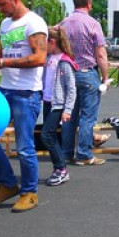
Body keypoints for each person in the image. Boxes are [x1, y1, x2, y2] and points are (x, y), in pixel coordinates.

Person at [0, 0, 47, 213]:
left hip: (26, 93)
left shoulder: (34, 22)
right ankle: (7, 184)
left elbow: (39, 58)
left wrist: (0, 62)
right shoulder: (6, 23)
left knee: (25, 147)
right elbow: (6, 52)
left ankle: (29, 193)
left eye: (2, 4)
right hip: (5, 89)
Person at [60, 0, 109, 166]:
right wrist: (105, 77)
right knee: (87, 117)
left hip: (67, 73)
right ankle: (84, 154)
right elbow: (101, 54)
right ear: (89, 3)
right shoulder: (93, 24)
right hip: (87, 72)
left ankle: (66, 153)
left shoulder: (63, 23)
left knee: (69, 115)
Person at [40, 26, 78, 187]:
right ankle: (59, 168)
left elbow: (71, 88)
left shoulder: (64, 62)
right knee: (50, 136)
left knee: (46, 135)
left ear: (52, 42)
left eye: (45, 42)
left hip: (58, 105)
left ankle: (61, 169)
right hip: (48, 101)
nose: (42, 46)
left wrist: (68, 110)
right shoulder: (48, 58)